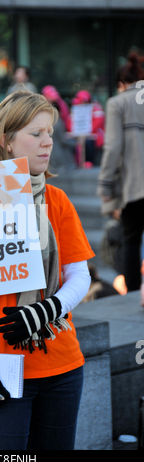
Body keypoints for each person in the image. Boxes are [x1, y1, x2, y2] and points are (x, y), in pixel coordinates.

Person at [0, 90, 95, 450]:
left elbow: (81, 275)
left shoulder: (59, 201)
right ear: (6, 141)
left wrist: (48, 309)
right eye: (36, 134)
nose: (48, 142)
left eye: (49, 132)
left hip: (63, 366)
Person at [97, 51, 144, 292]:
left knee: (131, 239)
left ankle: (134, 294)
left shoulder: (119, 102)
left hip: (135, 186)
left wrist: (105, 185)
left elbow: (113, 147)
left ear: (121, 84)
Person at [66, 90, 105, 166]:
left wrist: (85, 131)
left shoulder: (96, 108)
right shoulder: (75, 109)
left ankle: (89, 162)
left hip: (94, 139)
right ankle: (74, 163)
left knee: (88, 142)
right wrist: (77, 131)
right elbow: (69, 124)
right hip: (78, 136)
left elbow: (98, 122)